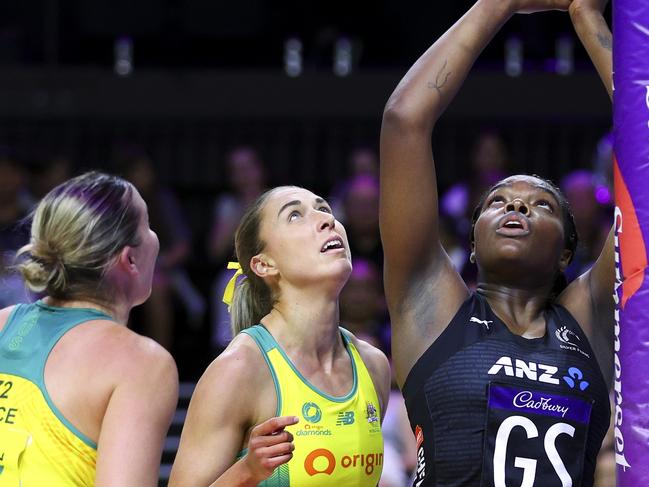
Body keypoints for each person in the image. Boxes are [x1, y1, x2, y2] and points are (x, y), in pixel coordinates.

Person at [380, 0, 612, 485]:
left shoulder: (587, 316)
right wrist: (497, 3)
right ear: (473, 235)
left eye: (542, 205)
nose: (517, 207)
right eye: (498, 201)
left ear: (567, 252)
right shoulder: (433, 306)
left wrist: (586, 17)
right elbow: (404, 122)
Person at [169, 186, 391, 486]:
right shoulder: (239, 370)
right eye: (295, 215)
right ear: (264, 264)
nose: (327, 220)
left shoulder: (373, 365)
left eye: (324, 208)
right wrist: (245, 472)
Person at [0, 172, 178, 485]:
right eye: (148, 224)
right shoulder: (141, 363)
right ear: (130, 259)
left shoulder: (3, 323)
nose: (155, 237)